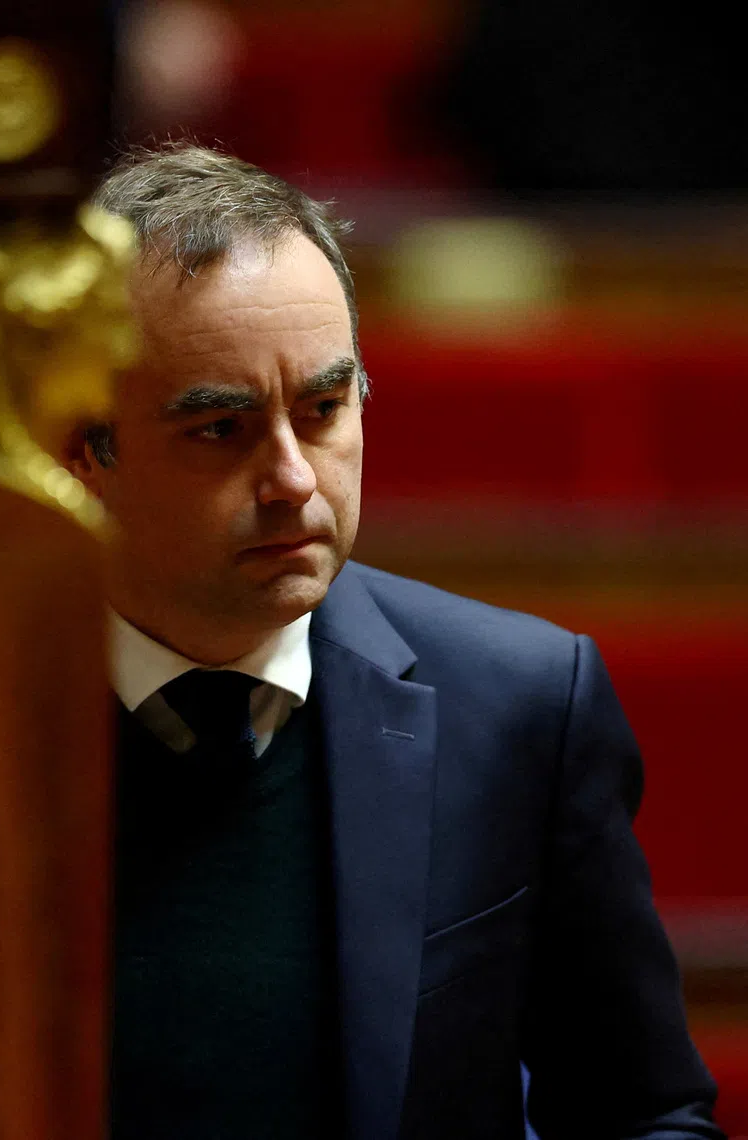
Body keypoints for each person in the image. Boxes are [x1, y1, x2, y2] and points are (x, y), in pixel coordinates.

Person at [63, 143, 724, 1140]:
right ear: (84, 452)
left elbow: (647, 1115)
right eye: (221, 430)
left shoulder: (521, 704)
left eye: (323, 410)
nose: (295, 478)